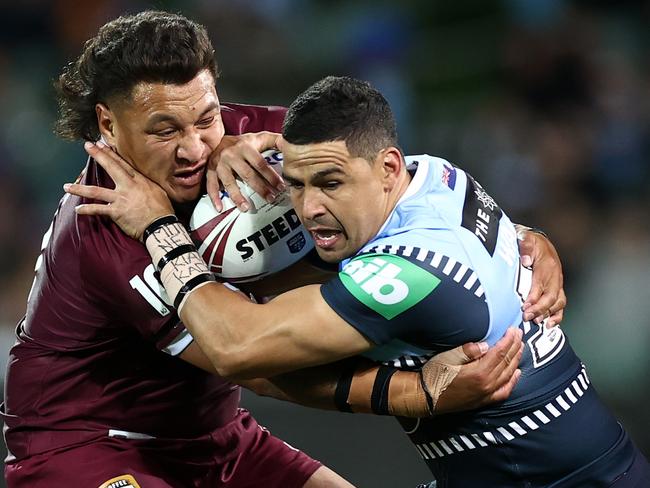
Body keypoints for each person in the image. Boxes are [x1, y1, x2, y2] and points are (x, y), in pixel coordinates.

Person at [2, 11, 558, 488]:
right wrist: (417, 393)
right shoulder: (103, 226)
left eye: (205, 117)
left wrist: (520, 238)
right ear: (107, 123)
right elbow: (254, 361)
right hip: (85, 445)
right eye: (164, 130)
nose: (195, 146)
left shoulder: (266, 137)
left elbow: (394, 194)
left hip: (214, 438)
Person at [68, 75, 650, 487]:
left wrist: (159, 229)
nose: (310, 207)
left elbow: (239, 348)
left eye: (330, 182)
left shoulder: (408, 271)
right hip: (580, 460)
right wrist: (232, 145)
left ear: (387, 167)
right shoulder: (438, 176)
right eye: (296, 184)